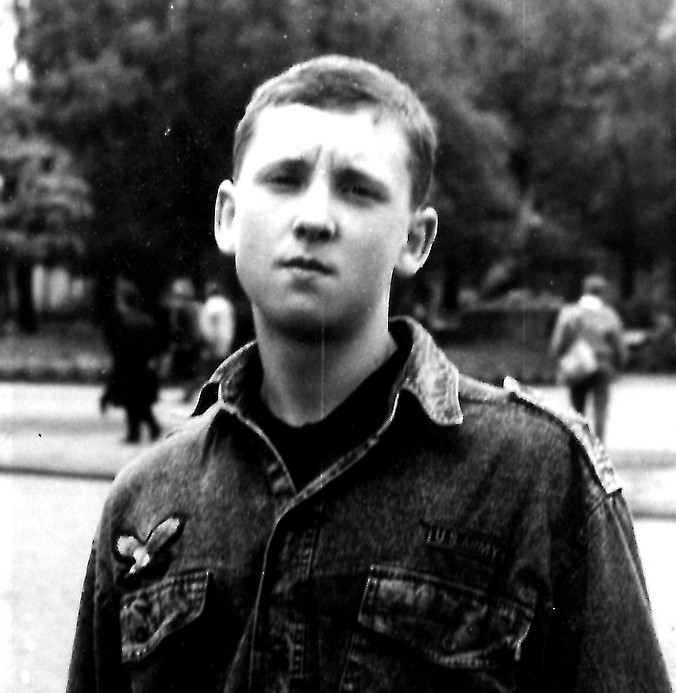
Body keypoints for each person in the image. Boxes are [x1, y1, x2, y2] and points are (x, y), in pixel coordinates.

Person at [67, 56, 670, 692]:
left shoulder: (538, 478)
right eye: (285, 179)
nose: (314, 218)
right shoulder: (145, 500)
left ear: (416, 240)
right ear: (228, 217)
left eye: (357, 189)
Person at [550, 274, 628, 441]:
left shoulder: (570, 312)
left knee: (577, 412)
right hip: (602, 365)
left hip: (577, 366)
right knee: (600, 411)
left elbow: (558, 343)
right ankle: (598, 447)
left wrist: (560, 358)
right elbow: (619, 345)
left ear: (584, 290)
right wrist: (621, 364)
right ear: (603, 292)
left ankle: (579, 445)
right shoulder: (609, 315)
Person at [100, 277, 162, 443]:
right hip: (144, 366)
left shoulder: (121, 322)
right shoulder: (146, 320)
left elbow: (117, 346)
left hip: (127, 366)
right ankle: (146, 428)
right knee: (139, 402)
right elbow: (154, 344)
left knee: (132, 402)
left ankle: (139, 431)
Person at [197, 279, 237, 376]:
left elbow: (206, 326)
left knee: (212, 368)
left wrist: (207, 339)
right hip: (228, 337)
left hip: (214, 341)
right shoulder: (227, 304)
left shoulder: (209, 305)